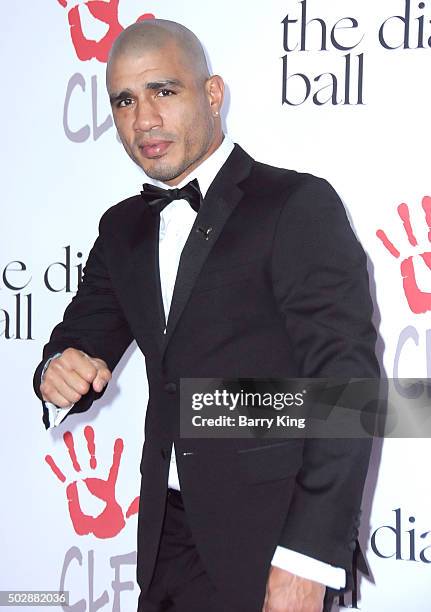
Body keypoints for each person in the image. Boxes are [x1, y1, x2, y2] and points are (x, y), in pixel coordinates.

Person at [34, 19, 379, 612]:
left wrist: (305, 562)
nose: (143, 119)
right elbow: (82, 337)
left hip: (271, 541)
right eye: (124, 100)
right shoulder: (122, 227)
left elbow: (349, 391)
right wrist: (56, 372)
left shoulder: (296, 205)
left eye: (164, 91)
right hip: (163, 540)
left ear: (213, 94)